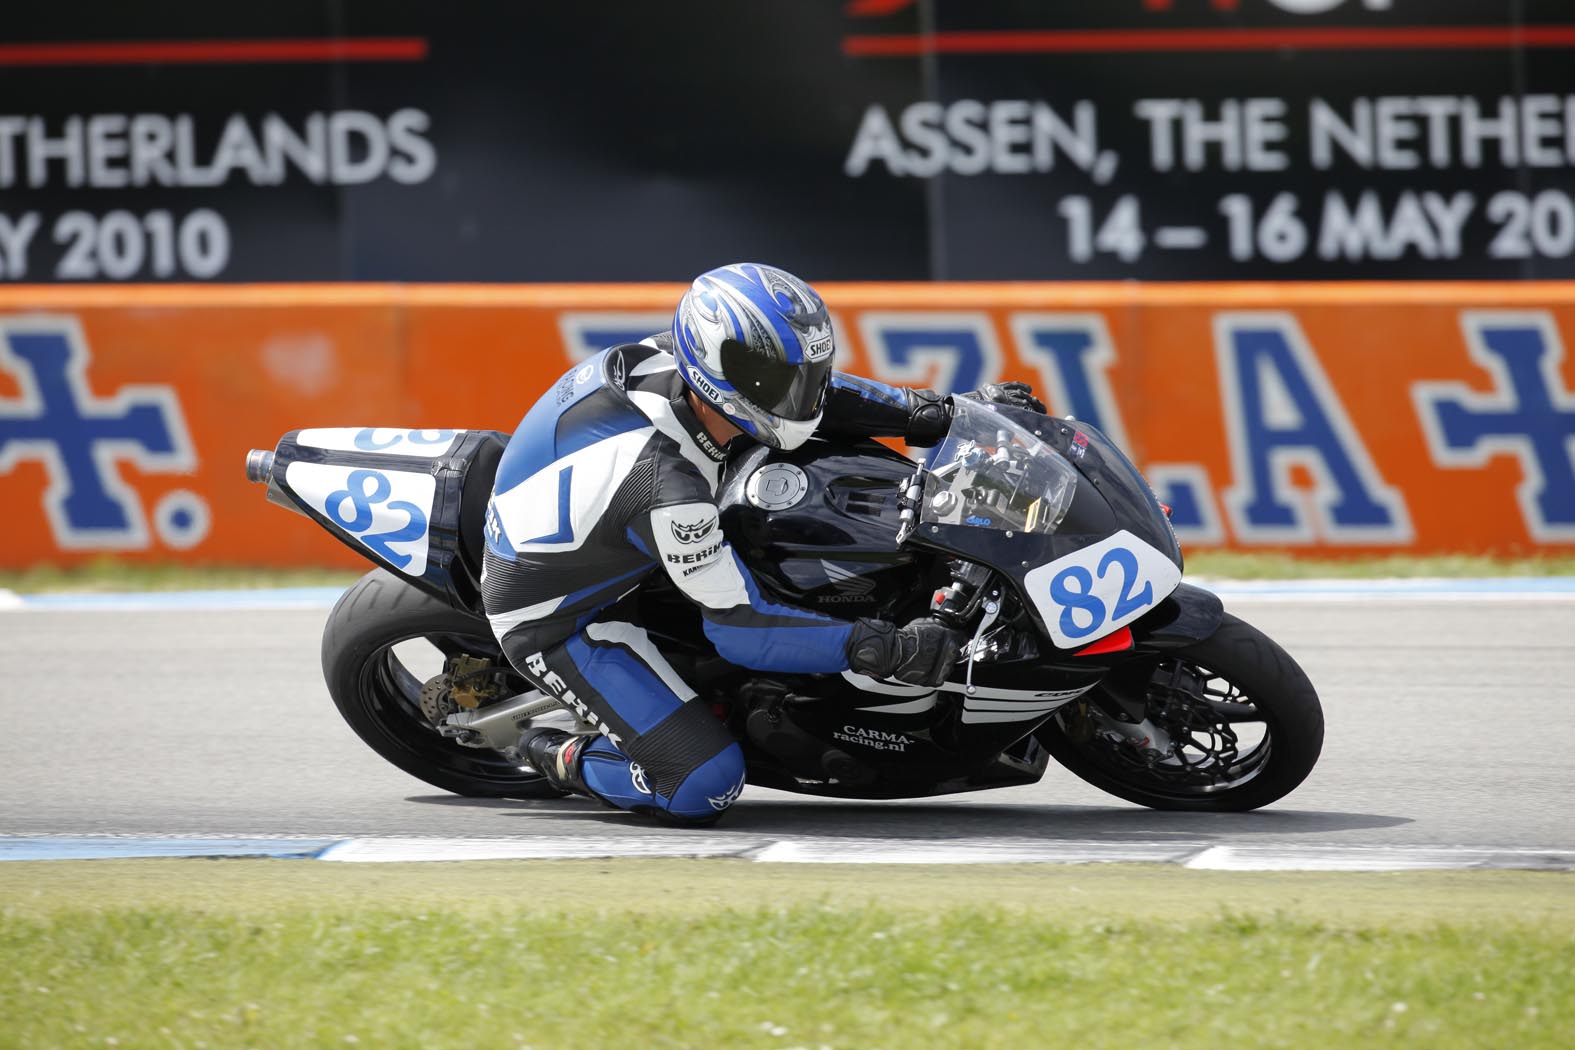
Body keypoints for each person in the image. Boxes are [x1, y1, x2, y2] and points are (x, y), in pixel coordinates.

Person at [483, 263, 1043, 824]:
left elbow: (826, 398)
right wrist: (887, 648)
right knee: (702, 785)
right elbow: (739, 626)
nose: (800, 396)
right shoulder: (670, 492)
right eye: (779, 382)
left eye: (804, 373)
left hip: (606, 528)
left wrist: (935, 414)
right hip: (562, 617)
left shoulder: (678, 362)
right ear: (717, 372)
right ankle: (555, 752)